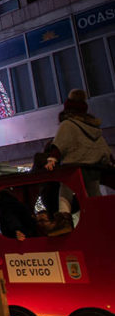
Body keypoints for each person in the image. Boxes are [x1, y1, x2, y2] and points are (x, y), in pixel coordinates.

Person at [45, 89, 114, 232]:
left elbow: (60, 143)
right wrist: (110, 160)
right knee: (94, 192)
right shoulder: (93, 128)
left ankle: (64, 220)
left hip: (74, 165)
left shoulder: (68, 125)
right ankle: (101, 218)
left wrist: (52, 159)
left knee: (65, 191)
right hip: (93, 167)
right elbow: (103, 147)